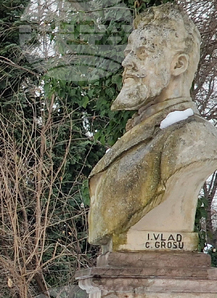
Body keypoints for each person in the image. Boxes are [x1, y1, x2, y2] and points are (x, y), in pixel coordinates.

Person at [88, 4, 217, 250]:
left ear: (178, 64)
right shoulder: (141, 131)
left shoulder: (193, 138)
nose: (126, 62)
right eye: (129, 52)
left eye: (142, 52)